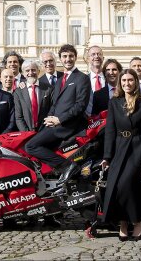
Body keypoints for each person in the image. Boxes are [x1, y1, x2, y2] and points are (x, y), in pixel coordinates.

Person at [25, 44, 91, 190]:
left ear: (75, 57)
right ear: (60, 59)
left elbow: (80, 105)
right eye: (65, 56)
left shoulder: (82, 78)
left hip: (68, 126)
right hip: (55, 124)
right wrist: (49, 119)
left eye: (71, 56)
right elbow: (55, 104)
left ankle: (68, 166)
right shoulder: (61, 78)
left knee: (30, 146)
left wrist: (59, 120)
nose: (68, 59)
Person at [101, 69, 141, 241]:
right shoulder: (114, 102)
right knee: (117, 187)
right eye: (123, 80)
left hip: (137, 148)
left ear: (136, 82)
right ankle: (124, 222)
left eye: (130, 80)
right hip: (119, 148)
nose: (127, 83)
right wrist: (107, 157)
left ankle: (137, 221)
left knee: (128, 185)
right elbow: (110, 130)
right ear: (119, 83)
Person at [14, 61, 51, 131]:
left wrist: (45, 130)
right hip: (26, 133)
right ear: (23, 73)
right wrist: (27, 133)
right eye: (27, 70)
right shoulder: (18, 92)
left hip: (45, 131)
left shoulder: (48, 89)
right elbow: (19, 117)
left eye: (33, 70)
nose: (30, 73)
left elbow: (51, 111)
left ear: (38, 71)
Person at [86, 46, 105, 115]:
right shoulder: (83, 80)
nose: (96, 56)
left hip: (107, 120)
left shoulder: (110, 79)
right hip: (88, 121)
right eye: (93, 54)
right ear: (88, 59)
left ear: (103, 58)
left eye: (99, 54)